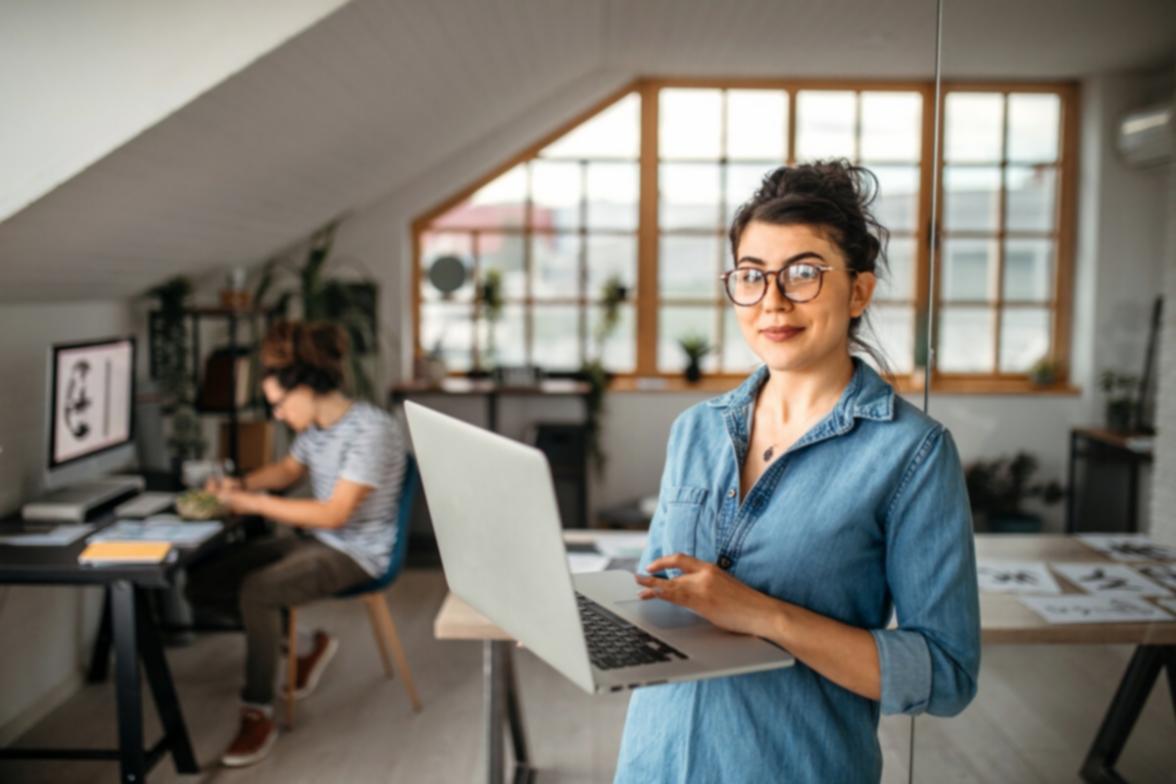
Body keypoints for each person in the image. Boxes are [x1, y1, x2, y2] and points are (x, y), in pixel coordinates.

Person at [614, 161, 980, 783]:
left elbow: (944, 674)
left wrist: (761, 614)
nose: (773, 301)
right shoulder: (696, 430)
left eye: (804, 273)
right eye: (752, 276)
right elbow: (663, 590)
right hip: (654, 763)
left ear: (859, 291)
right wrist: (577, 617)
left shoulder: (912, 454)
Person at [186, 320, 406, 768]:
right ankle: (306, 644)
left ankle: (257, 711)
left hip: (357, 554)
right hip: (317, 541)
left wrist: (252, 503)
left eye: (279, 405)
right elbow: (287, 472)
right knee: (202, 583)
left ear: (306, 387)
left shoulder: (371, 431)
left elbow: (334, 514)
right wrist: (237, 484)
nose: (277, 416)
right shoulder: (316, 430)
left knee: (258, 591)